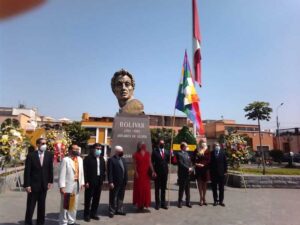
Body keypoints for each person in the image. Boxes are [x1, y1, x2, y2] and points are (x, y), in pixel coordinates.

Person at [24, 138, 54, 225]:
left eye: (45, 143)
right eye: (42, 143)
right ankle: (28, 222)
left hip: (44, 185)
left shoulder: (49, 155)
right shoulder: (31, 156)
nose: (44, 145)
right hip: (33, 185)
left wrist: (50, 182)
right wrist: (27, 185)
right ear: (37, 144)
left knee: (42, 206)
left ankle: (40, 222)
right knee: (30, 206)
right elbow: (27, 171)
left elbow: (50, 169)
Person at [58, 144, 85, 225]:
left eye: (78, 149)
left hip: (76, 184)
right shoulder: (65, 160)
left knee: (73, 204)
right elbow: (62, 174)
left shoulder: (80, 159)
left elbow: (81, 172)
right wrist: (62, 186)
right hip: (67, 185)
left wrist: (82, 182)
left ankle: (71, 221)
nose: (77, 150)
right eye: (75, 149)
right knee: (66, 205)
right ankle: (63, 222)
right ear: (70, 150)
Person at [83, 143, 106, 222]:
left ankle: (93, 213)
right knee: (88, 199)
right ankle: (86, 215)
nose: (99, 150)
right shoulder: (87, 159)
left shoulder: (102, 158)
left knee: (96, 199)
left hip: (99, 181)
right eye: (97, 148)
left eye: (100, 149)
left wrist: (103, 179)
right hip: (90, 182)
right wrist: (86, 181)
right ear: (93, 149)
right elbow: (84, 171)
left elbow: (104, 170)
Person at [133, 142, 156, 211]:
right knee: (139, 189)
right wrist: (136, 172)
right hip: (139, 174)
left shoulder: (148, 154)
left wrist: (153, 171)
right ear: (138, 146)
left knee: (145, 189)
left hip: (146, 175)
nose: (142, 146)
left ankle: (144, 204)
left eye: (142, 145)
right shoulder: (135, 154)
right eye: (140, 145)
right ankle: (139, 205)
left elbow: (150, 163)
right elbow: (134, 164)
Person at [107, 145, 128, 218]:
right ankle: (111, 211)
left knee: (121, 197)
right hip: (115, 182)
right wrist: (110, 182)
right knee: (113, 197)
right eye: (121, 151)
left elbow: (125, 171)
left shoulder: (123, 159)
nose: (122, 152)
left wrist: (126, 179)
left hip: (122, 182)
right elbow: (110, 172)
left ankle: (119, 209)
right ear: (116, 152)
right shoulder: (111, 160)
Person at [151, 139, 170, 210]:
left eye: (163, 143)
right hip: (157, 172)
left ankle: (163, 203)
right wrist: (153, 171)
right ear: (159, 144)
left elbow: (168, 160)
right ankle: (157, 204)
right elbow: (152, 162)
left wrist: (172, 155)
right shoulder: (155, 151)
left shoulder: (167, 152)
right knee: (157, 189)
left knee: (163, 188)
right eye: (161, 143)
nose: (163, 144)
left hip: (165, 172)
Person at [192, 140, 211, 206]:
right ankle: (200, 198)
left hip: (205, 169)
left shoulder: (207, 150)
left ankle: (204, 198)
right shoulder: (196, 150)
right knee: (200, 183)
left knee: (204, 184)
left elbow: (209, 160)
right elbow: (193, 158)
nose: (203, 145)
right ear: (200, 144)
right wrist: (196, 164)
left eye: (204, 143)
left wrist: (204, 164)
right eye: (202, 143)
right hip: (198, 169)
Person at [210, 142, 228, 207]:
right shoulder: (211, 153)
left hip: (221, 173)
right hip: (213, 173)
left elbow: (225, 163)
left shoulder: (222, 153)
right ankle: (215, 200)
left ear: (219, 146)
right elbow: (210, 163)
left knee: (221, 188)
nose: (216, 147)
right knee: (214, 188)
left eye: (217, 145)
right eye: (215, 146)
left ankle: (221, 201)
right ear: (213, 147)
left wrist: (225, 171)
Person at [176, 142, 193, 208]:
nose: (187, 147)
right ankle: (180, 202)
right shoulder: (179, 154)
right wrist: (188, 168)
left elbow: (189, 161)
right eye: (186, 146)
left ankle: (188, 202)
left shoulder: (187, 153)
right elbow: (181, 163)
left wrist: (191, 167)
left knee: (187, 188)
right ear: (183, 147)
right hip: (182, 174)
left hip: (188, 174)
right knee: (181, 188)